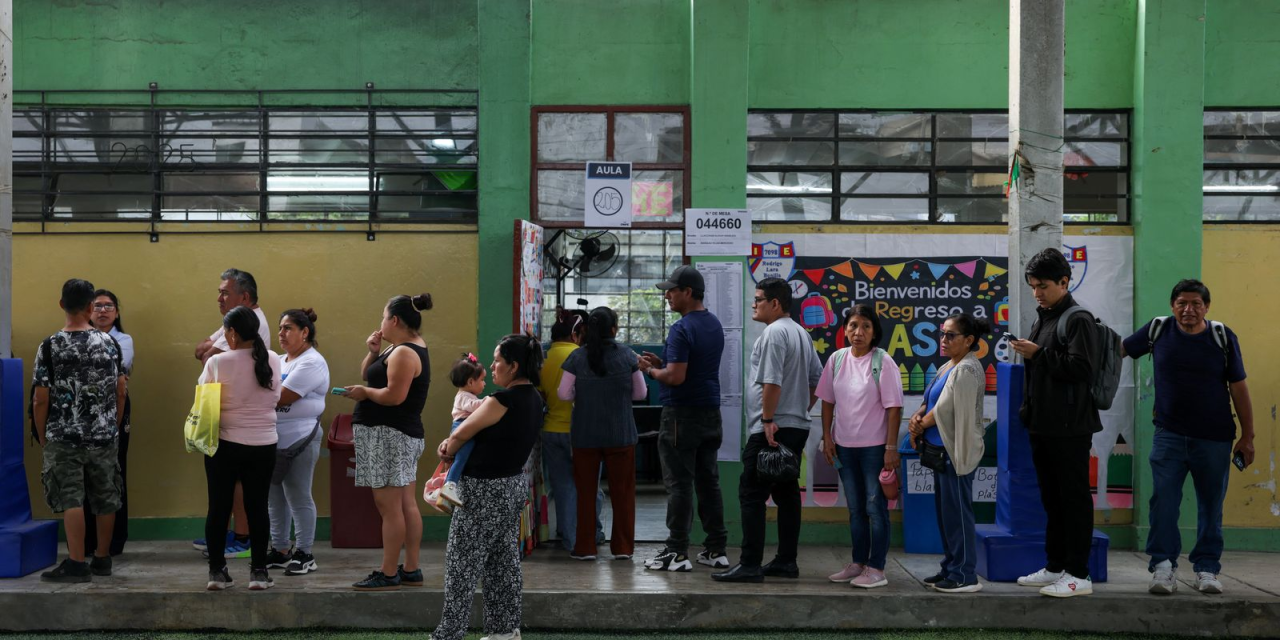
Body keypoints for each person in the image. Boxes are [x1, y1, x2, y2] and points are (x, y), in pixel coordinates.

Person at [1120, 279, 1253, 595]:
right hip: (1169, 436)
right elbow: (1120, 351)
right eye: (1182, 303)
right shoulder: (1158, 330)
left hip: (1215, 438)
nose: (1188, 309)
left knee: (1211, 505)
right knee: (1163, 502)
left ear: (1207, 307)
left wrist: (1248, 436)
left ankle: (1207, 568)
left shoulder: (1222, 337)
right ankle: (1163, 567)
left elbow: (1239, 388)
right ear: (1172, 305)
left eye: (1196, 303)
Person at [431, 334, 546, 640]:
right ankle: (504, 630)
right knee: (503, 562)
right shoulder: (535, 399)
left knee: (461, 564)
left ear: (514, 366)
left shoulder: (501, 400)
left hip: (483, 490)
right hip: (511, 487)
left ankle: (449, 633)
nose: (492, 367)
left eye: (497, 361)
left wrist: (448, 446)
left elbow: (462, 433)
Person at [712, 277, 822, 583]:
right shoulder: (800, 332)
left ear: (775, 303)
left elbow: (771, 381)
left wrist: (769, 418)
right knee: (787, 494)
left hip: (771, 428)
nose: (753, 304)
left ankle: (749, 564)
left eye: (759, 299)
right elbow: (818, 380)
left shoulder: (774, 333)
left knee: (751, 494)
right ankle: (786, 561)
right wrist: (799, 407)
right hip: (794, 425)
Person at [1009, 248, 1102, 598]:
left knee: (1074, 501)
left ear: (1065, 282)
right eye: (1033, 286)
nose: (1037, 292)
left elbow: (1082, 369)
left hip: (1070, 428)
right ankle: (1055, 566)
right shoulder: (1044, 316)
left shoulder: (1077, 318)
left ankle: (1079, 574)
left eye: (1043, 286)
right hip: (1043, 424)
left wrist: (1039, 354)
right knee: (1053, 499)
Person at [32, 279, 127, 583]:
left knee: (71, 497)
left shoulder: (50, 345)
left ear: (61, 304)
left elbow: (40, 397)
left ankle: (75, 563)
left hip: (64, 435)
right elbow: (120, 390)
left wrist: (43, 434)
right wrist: (113, 424)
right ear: (90, 307)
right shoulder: (110, 343)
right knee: (105, 496)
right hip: (104, 434)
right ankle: (102, 558)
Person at [639, 265, 729, 573]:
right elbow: (690, 370)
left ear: (688, 293)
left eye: (672, 290)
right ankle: (716, 549)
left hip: (681, 416)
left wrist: (650, 370)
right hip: (710, 412)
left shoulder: (681, 328)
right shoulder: (714, 324)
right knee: (709, 482)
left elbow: (675, 378)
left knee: (679, 484)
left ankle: (676, 551)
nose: (667, 296)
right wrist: (663, 363)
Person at [340, 293, 433, 591]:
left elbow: (394, 396)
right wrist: (372, 352)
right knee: (405, 504)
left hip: (390, 434)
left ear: (394, 320)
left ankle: (389, 571)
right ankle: (411, 568)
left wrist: (365, 393)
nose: (380, 323)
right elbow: (371, 375)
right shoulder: (400, 347)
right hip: (395, 434)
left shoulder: (405, 353)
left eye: (383, 317)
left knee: (389, 506)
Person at [817, 305, 904, 589]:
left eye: (866, 326)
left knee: (875, 508)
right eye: (853, 325)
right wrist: (827, 437)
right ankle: (858, 563)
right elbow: (827, 400)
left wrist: (890, 448)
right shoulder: (837, 359)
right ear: (845, 329)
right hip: (844, 447)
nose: (859, 332)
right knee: (855, 509)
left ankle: (876, 568)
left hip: (874, 449)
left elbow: (894, 408)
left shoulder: (883, 361)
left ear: (875, 331)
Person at [200, 306, 282, 591]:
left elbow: (202, 396)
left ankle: (216, 572)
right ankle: (259, 572)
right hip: (264, 444)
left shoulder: (218, 362)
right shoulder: (272, 358)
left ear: (232, 333)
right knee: (258, 506)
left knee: (219, 508)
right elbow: (277, 396)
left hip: (223, 444)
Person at [906, 313, 989, 594]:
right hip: (941, 452)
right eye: (942, 333)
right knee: (946, 514)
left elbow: (946, 409)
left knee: (958, 514)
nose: (944, 339)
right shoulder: (949, 366)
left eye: (950, 335)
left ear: (968, 341)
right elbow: (931, 399)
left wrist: (919, 424)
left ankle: (965, 575)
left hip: (956, 453)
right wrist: (917, 417)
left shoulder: (967, 369)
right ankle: (951, 567)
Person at [558, 307, 648, 561]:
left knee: (585, 493)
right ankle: (622, 548)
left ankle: (585, 547)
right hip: (621, 436)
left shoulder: (577, 357)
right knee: (623, 493)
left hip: (585, 436)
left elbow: (563, 394)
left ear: (588, 330)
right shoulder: (628, 356)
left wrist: (584, 395)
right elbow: (640, 394)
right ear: (613, 329)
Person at [192, 268, 271, 558]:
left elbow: (207, 356)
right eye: (219, 292)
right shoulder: (235, 324)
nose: (219, 298)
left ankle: (242, 537)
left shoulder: (252, 324)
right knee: (235, 488)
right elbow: (200, 350)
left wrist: (211, 353)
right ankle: (234, 539)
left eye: (225, 292)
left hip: (240, 425)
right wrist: (209, 351)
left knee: (237, 486)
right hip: (246, 427)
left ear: (245, 297)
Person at [264, 308, 330, 577]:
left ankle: (305, 553)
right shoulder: (279, 360)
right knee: (274, 497)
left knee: (298, 495)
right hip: (273, 437)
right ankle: (280, 550)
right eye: (280, 328)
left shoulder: (312, 362)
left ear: (305, 332)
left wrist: (255, 392)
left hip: (300, 438)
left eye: (288, 328)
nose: (281, 333)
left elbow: (283, 396)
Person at [538, 309, 604, 552]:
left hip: (551, 431)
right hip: (581, 432)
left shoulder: (543, 359)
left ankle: (569, 538)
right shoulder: (581, 356)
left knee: (563, 487)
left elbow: (542, 395)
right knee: (589, 487)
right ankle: (592, 534)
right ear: (576, 333)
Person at [83, 289, 133, 557]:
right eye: (97, 306)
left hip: (116, 406)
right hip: (84, 410)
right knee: (85, 474)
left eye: (109, 306)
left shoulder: (123, 339)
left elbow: (117, 367)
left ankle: (114, 541)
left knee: (114, 471)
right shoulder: (74, 337)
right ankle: (88, 540)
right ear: (88, 311)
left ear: (117, 312)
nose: (103, 311)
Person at [424, 353, 487, 512]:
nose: (485, 384)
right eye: (482, 380)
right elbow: (476, 407)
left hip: (463, 426)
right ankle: (450, 484)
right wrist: (489, 401)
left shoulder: (466, 395)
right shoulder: (463, 396)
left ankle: (447, 491)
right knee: (462, 456)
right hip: (461, 426)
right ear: (471, 382)